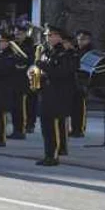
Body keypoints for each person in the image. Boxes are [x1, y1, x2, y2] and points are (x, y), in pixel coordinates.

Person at [33, 25, 75, 166]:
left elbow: (61, 73)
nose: (47, 38)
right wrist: (33, 73)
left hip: (58, 94)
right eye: (47, 35)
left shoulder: (66, 54)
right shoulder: (46, 52)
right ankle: (48, 154)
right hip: (45, 93)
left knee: (54, 126)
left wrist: (42, 66)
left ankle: (53, 155)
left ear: (59, 37)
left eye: (51, 35)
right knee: (46, 127)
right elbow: (41, 69)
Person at [0, 31, 17, 147]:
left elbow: (4, 70)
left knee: (0, 114)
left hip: (4, 89)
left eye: (2, 41)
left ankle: (1, 138)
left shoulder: (10, 55)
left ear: (7, 43)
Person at [15, 24, 37, 134]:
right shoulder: (15, 45)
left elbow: (30, 61)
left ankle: (28, 124)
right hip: (18, 79)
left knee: (29, 103)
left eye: (19, 33)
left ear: (25, 34)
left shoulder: (30, 46)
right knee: (21, 104)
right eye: (16, 33)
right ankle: (24, 124)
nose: (17, 35)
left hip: (28, 77)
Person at [70, 29, 92, 137]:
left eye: (83, 39)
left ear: (88, 40)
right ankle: (74, 128)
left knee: (81, 107)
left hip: (83, 82)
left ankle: (80, 129)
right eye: (79, 39)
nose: (80, 42)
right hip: (74, 81)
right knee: (73, 107)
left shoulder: (91, 52)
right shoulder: (75, 49)